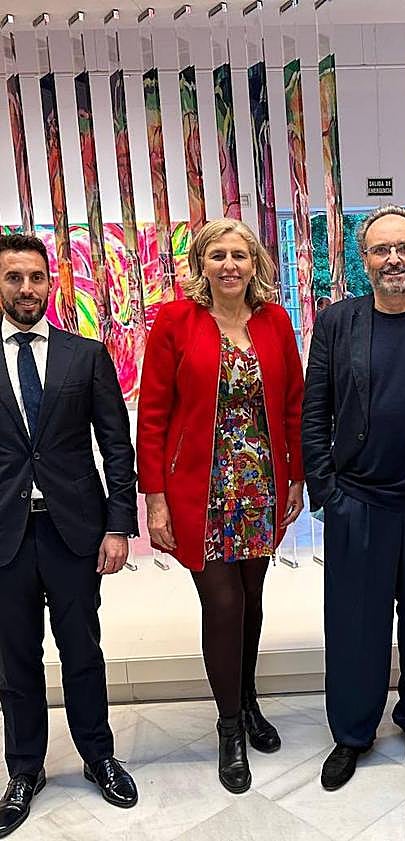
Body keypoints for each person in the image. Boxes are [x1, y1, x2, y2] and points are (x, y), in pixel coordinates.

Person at [302, 204, 405, 791]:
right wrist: (327, 490)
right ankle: (353, 733)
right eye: (381, 249)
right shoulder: (336, 322)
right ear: (364, 259)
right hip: (359, 503)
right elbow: (315, 409)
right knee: (355, 627)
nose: (393, 259)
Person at [137, 218, 304, 795]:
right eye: (218, 256)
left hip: (258, 484)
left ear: (255, 263)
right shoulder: (175, 321)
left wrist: (296, 478)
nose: (229, 265)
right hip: (199, 489)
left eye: (239, 255)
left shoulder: (275, 321)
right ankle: (229, 726)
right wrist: (154, 499)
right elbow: (153, 415)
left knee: (252, 602)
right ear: (201, 265)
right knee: (224, 603)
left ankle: (248, 700)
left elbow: (293, 405)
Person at [0, 234, 139, 838]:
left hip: (74, 532)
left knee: (82, 651)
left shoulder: (85, 356)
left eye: (36, 277)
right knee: (15, 660)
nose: (26, 288)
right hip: (5, 535)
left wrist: (118, 525)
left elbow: (116, 446)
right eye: (14, 277)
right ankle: (24, 769)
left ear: (51, 283)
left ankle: (97, 755)